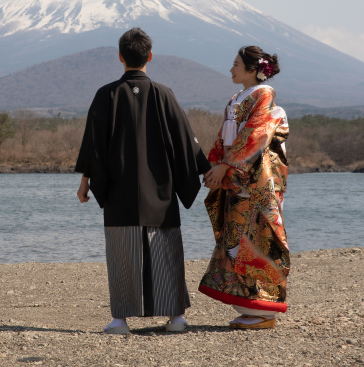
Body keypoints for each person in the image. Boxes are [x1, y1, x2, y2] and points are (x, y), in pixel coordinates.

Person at [75, 27, 210, 334]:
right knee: (165, 250)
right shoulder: (164, 94)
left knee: (122, 251)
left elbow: (93, 147)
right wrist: (206, 171)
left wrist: (85, 183)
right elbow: (186, 141)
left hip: (119, 191)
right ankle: (175, 317)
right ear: (150, 56)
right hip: (160, 192)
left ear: (120, 57)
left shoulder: (105, 94)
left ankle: (120, 320)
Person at [199, 45, 289, 330]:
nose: (231, 68)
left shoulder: (264, 95)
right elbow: (223, 139)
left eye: (236, 64)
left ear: (253, 69)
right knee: (236, 239)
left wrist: (226, 166)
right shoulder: (237, 97)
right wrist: (214, 167)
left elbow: (255, 135)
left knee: (254, 238)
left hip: (252, 181)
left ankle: (263, 309)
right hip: (235, 178)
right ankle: (251, 307)